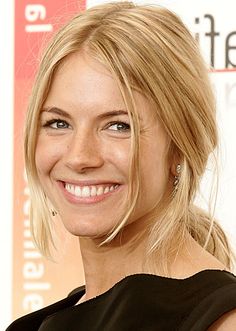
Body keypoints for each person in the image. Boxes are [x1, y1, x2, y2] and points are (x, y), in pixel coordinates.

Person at [7, 1, 236, 330]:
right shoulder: (31, 327)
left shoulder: (222, 321)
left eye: (118, 126)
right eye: (58, 123)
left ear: (181, 147)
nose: (79, 157)